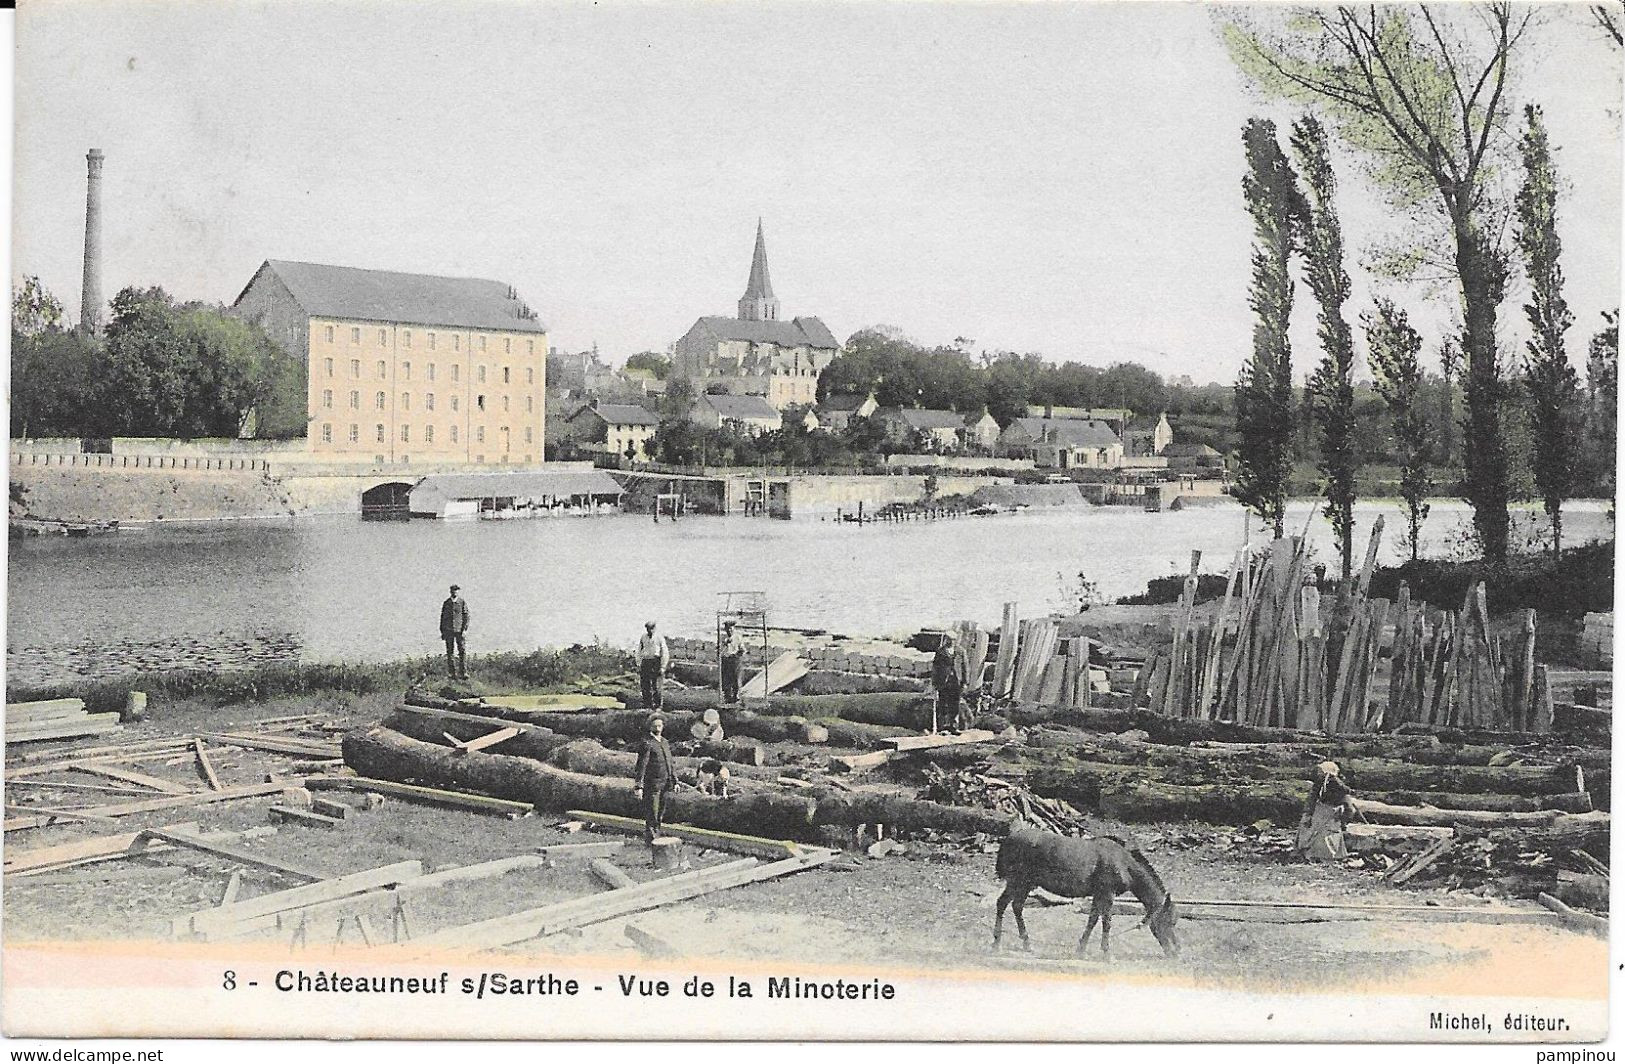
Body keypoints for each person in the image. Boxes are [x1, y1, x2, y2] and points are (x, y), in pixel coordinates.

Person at [1297, 760, 1357, 861]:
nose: (1319, 773)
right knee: (1319, 831)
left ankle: (1322, 854)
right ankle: (1317, 853)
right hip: (1323, 809)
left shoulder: (1334, 783)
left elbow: (1346, 799)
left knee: (1325, 833)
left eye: (1321, 771)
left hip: (1330, 811)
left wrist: (1345, 817)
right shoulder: (1322, 783)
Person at [632, 715, 676, 842]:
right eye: (655, 726)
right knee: (652, 812)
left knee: (661, 812)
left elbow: (670, 763)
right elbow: (642, 765)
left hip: (665, 783)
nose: (658, 728)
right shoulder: (647, 743)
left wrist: (674, 780)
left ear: (663, 727)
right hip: (653, 784)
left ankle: (657, 835)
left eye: (660, 726)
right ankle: (651, 839)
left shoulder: (665, 742)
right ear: (650, 727)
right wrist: (639, 785)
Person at [931, 633, 962, 733]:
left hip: (956, 681)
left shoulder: (960, 651)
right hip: (943, 681)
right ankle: (943, 726)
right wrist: (934, 682)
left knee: (955, 704)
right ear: (946, 639)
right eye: (949, 639)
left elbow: (965, 667)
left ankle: (954, 726)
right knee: (943, 703)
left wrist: (965, 682)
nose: (951, 641)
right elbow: (935, 668)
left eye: (953, 639)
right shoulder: (940, 651)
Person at [439, 585, 470, 680]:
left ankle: (463, 673)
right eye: (453, 590)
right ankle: (452, 673)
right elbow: (443, 618)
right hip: (449, 631)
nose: (454, 592)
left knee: (462, 651)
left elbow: (466, 616)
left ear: (458, 592)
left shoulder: (462, 602)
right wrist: (443, 631)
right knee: (450, 652)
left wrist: (464, 629)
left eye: (456, 591)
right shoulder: (447, 603)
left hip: (459, 631)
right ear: (450, 591)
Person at [638, 621, 669, 709]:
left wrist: (663, 666)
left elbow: (665, 652)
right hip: (646, 662)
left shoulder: (659, 638)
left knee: (656, 686)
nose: (650, 631)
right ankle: (647, 704)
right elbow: (639, 651)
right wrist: (639, 663)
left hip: (656, 662)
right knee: (645, 685)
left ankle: (658, 705)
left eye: (651, 629)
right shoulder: (643, 637)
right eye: (648, 629)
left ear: (654, 628)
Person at [718, 620, 744, 705]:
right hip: (726, 660)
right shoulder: (722, 638)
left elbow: (742, 650)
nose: (729, 631)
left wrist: (736, 655)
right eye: (727, 629)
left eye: (731, 629)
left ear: (733, 629)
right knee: (726, 679)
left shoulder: (738, 637)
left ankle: (736, 696)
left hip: (734, 660)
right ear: (725, 629)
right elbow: (719, 650)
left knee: (735, 678)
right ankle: (727, 697)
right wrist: (725, 644)